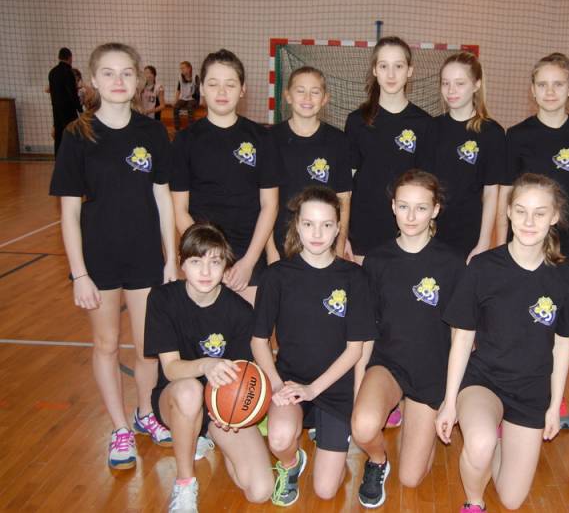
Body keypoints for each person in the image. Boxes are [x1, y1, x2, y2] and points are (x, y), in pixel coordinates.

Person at [49, 42, 176, 470]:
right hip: (99, 258)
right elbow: (69, 213)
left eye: (126, 73)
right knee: (105, 344)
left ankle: (144, 413)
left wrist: (171, 259)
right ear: (92, 80)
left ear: (139, 79)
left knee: (148, 348)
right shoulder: (76, 135)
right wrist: (79, 274)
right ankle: (120, 428)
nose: (118, 81)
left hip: (145, 255)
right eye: (108, 72)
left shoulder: (153, 133)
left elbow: (163, 199)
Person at [436, 173, 569, 512]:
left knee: (512, 500)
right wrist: (450, 402)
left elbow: (562, 346)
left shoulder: (565, 276)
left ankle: (499, 439)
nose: (529, 221)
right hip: (484, 382)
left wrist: (554, 406)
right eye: (521, 211)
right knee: (480, 443)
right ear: (509, 211)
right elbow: (462, 338)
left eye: (540, 213)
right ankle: (474, 502)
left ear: (554, 217)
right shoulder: (483, 267)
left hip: (531, 391)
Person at [251, 186, 376, 506]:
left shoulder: (354, 278)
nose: (317, 234)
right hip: (290, 380)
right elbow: (258, 341)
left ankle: (328, 437)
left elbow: (355, 349)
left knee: (325, 490)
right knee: (279, 438)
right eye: (308, 224)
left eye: (326, 225)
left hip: (334, 387)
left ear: (337, 228)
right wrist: (278, 385)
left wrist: (313, 390)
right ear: (297, 226)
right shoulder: (277, 276)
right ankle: (291, 464)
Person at [352, 169, 464, 508]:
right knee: (362, 427)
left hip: (431, 373)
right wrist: (358, 388)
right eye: (403, 206)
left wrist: (451, 399)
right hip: (388, 366)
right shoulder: (377, 260)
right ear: (393, 207)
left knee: (411, 478)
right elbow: (365, 331)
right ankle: (377, 461)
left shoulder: (452, 263)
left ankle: (419, 422)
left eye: (421, 207)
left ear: (436, 210)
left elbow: (461, 335)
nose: (411, 216)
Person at [144, 223, 274, 512]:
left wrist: (234, 414)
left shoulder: (241, 312)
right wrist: (207, 364)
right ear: (182, 264)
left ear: (226, 265)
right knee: (190, 391)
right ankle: (185, 483)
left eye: (214, 262)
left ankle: (211, 438)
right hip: (176, 398)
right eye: (196, 262)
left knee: (260, 491)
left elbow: (242, 377)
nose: (205, 271)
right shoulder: (162, 299)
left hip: (219, 408)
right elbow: (171, 369)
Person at [171, 49, 281, 305]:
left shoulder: (262, 138)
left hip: (249, 255)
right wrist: (210, 259)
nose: (222, 92)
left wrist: (248, 262)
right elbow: (180, 210)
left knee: (250, 329)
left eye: (230, 84)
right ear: (202, 88)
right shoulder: (185, 141)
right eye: (213, 84)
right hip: (203, 257)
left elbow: (270, 205)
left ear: (242, 89)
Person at [500, 52, 569, 263]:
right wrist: (502, 244)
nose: (550, 91)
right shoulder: (516, 135)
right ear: (533, 90)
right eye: (542, 85)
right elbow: (506, 196)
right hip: (525, 238)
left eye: (558, 84)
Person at [345, 36, 435, 263]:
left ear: (410, 70)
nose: (391, 74)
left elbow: (426, 185)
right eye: (384, 66)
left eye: (399, 66)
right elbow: (347, 186)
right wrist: (342, 232)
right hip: (364, 225)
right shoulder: (357, 121)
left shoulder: (425, 124)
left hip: (408, 226)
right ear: (375, 70)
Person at [266, 66, 352, 262]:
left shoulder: (338, 141)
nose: (307, 98)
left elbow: (344, 199)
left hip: (325, 244)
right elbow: (265, 202)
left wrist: (339, 247)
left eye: (315, 92)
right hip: (280, 244)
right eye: (300, 91)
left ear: (325, 98)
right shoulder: (271, 138)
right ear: (288, 96)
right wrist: (270, 250)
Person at [431, 52, 506, 262]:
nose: (451, 90)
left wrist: (484, 241)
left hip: (469, 231)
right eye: (445, 83)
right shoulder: (432, 128)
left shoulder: (492, 133)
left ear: (476, 85)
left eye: (460, 83)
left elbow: (491, 193)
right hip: (432, 230)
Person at [48, 47, 83, 154]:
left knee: (58, 136)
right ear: (70, 57)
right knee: (73, 134)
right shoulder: (68, 72)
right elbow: (72, 93)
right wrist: (80, 109)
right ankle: (72, 157)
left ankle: (58, 159)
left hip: (56, 109)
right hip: (68, 110)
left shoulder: (52, 72)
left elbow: (51, 92)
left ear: (59, 57)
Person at [173, 60, 200, 130]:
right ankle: (177, 128)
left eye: (183, 68)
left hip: (193, 98)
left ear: (189, 68)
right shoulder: (180, 77)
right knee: (175, 107)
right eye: (181, 68)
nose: (182, 70)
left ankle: (191, 128)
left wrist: (199, 100)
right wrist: (175, 100)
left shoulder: (195, 77)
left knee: (190, 107)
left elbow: (199, 90)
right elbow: (178, 89)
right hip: (184, 98)